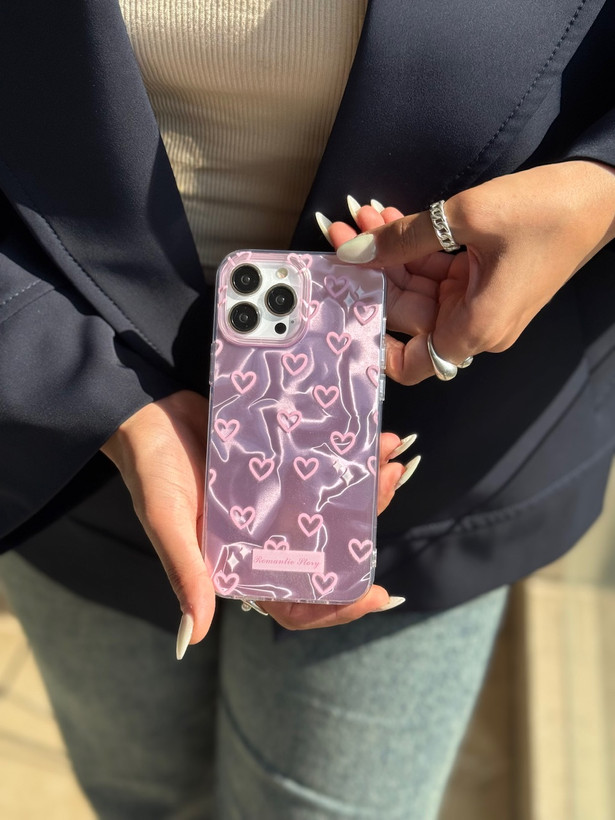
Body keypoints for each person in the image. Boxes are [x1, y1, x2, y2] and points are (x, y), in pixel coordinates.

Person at [1, 1, 614, 817]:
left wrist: (601, 185)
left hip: (449, 447)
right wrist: (75, 377)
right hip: (68, 422)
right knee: (140, 795)